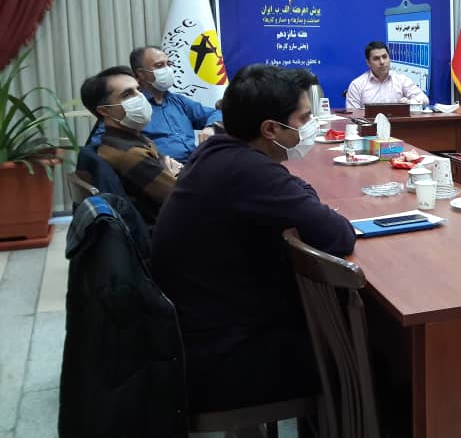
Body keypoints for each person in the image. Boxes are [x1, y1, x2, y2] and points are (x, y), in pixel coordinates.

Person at [150, 64, 356, 412]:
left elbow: (298, 189)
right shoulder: (247, 170)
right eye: (304, 118)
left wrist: (300, 194)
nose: (311, 126)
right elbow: (338, 235)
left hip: (196, 333)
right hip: (221, 359)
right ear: (270, 128)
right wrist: (303, 197)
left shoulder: (218, 151)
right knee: (374, 352)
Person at [79, 66, 179, 224]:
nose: (140, 97)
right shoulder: (130, 153)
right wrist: (173, 172)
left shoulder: (121, 140)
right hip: (167, 228)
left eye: (138, 89)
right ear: (105, 111)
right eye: (127, 94)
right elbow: (182, 196)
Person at [89, 45, 222, 162]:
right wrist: (156, 160)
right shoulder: (133, 108)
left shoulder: (178, 101)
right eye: (159, 66)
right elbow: (101, 145)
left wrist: (210, 127)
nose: (167, 69)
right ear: (141, 74)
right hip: (162, 171)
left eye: (168, 64)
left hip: (195, 165)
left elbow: (217, 113)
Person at [345, 41, 429, 108]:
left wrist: (409, 103)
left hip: (398, 124)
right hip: (368, 124)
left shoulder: (401, 80)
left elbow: (424, 99)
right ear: (368, 62)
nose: (382, 62)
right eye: (376, 58)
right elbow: (352, 115)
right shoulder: (357, 85)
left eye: (384, 57)